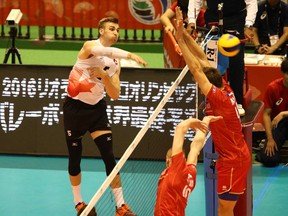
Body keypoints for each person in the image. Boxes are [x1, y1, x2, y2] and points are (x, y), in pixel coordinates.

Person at [62, 17, 147, 216]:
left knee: (109, 157)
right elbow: (104, 51)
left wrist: (104, 75)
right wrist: (131, 55)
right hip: (74, 109)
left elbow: (115, 93)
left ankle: (121, 206)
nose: (116, 32)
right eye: (111, 29)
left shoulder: (115, 62)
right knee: (75, 158)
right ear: (101, 31)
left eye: (118, 29)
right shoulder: (89, 47)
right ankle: (79, 203)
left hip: (97, 110)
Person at [175, 7, 252, 216]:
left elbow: (196, 69)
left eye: (201, 84)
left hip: (232, 160)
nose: (199, 86)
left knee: (224, 209)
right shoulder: (223, 85)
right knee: (225, 208)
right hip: (233, 156)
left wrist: (179, 41)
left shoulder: (219, 98)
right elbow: (201, 59)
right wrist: (185, 35)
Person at [187, 0, 258, 116]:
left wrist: (248, 24)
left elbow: (251, 2)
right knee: (211, 61)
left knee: (236, 62)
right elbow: (196, 1)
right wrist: (191, 20)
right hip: (213, 18)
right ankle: (211, 100)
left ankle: (237, 101)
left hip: (235, 20)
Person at [154, 115, 222, 216]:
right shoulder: (191, 173)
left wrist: (191, 121)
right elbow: (196, 147)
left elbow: (180, 128)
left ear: (168, 159)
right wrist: (206, 121)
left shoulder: (176, 172)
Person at [256, 58, 288, 167]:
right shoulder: (273, 88)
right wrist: (270, 139)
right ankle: (262, 151)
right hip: (278, 125)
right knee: (269, 159)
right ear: (283, 73)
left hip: (284, 117)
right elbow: (266, 114)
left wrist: (284, 113)